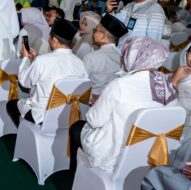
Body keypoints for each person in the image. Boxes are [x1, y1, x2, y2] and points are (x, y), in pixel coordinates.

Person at [69, 37, 177, 172]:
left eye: (125, 53)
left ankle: (73, 176)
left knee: (76, 127)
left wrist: (101, 102)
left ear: (131, 57)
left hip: (112, 155)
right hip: (149, 152)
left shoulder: (120, 84)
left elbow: (94, 121)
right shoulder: (168, 87)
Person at [15, 18, 87, 125]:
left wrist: (25, 58)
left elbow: (24, 82)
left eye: (49, 37)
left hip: (43, 116)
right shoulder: (80, 64)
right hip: (68, 115)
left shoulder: (43, 61)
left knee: (12, 104)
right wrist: (35, 60)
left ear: (54, 41)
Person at [82, 14, 128, 99]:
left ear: (104, 36)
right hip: (112, 100)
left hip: (91, 101)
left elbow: (80, 84)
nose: (93, 33)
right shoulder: (123, 58)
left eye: (96, 30)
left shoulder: (91, 57)